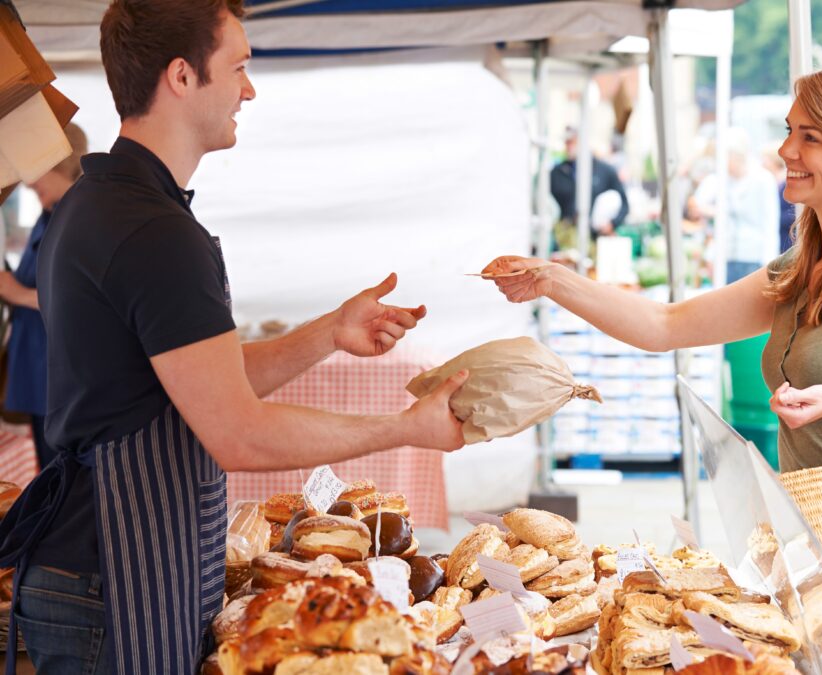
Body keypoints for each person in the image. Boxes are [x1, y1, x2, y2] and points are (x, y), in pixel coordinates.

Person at [0, 2, 468, 673]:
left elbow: (200, 379)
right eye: (240, 67)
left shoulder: (99, 203)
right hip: (112, 583)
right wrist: (404, 427)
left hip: (102, 569)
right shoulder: (154, 232)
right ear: (183, 76)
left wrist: (329, 333)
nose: (249, 89)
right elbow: (238, 431)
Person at [484, 64, 822, 471]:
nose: (786, 151)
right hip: (812, 533)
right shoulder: (799, 268)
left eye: (810, 136)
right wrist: (550, 278)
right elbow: (664, 325)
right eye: (789, 130)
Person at [0, 124, 87, 470]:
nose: (28, 181)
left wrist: (13, 291)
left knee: (62, 477)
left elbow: (77, 297)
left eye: (35, 171)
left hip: (58, 375)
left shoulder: (78, 214)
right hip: (37, 369)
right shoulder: (49, 212)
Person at [690, 128, 780, 282]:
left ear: (736, 156)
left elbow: (770, 223)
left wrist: (769, 263)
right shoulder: (718, 180)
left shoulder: (763, 180)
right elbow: (696, 204)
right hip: (725, 257)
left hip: (754, 258)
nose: (720, 163)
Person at [549, 127, 629, 240]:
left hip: (596, 238)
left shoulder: (605, 170)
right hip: (565, 236)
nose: (569, 146)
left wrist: (612, 224)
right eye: (567, 142)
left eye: (573, 142)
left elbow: (624, 204)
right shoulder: (557, 173)